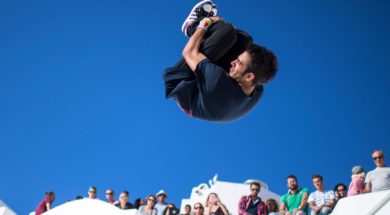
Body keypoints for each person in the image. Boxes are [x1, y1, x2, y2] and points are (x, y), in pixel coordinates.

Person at [163, 0, 278, 122]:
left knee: (225, 32)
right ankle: (213, 38)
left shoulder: (217, 81)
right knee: (244, 39)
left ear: (249, 76)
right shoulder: (256, 88)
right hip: (212, 97)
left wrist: (206, 23)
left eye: (238, 62)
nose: (233, 62)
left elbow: (189, 53)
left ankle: (191, 26)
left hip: (181, 83)